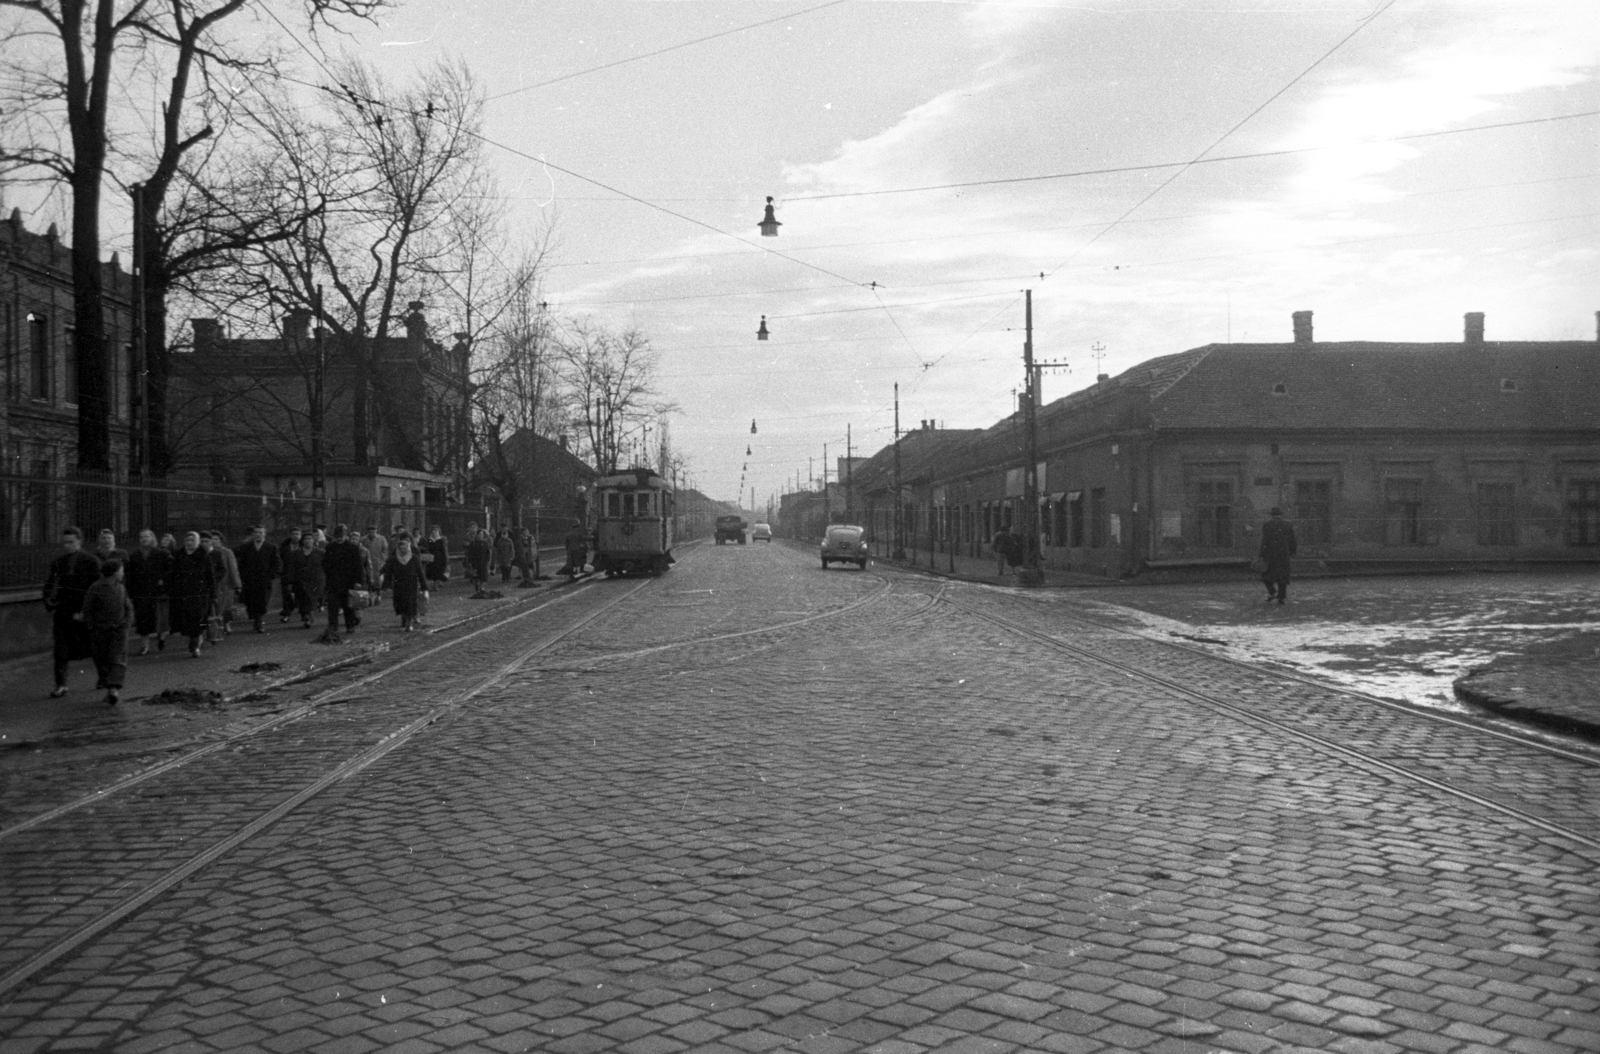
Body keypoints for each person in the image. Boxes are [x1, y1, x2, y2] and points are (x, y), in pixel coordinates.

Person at [42, 526, 103, 698]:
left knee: (93, 646)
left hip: (84, 611)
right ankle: (61, 684)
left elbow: (97, 588)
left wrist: (88, 611)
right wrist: (50, 601)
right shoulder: (58, 562)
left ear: (80, 541)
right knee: (60, 649)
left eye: (71, 542)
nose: (67, 546)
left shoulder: (91, 561)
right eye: (65, 543)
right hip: (64, 612)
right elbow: (49, 585)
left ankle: (103, 677)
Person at [81, 559, 134, 705]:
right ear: (116, 572)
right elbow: (88, 608)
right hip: (100, 630)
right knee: (102, 658)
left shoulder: (121, 587)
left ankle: (113, 689)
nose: (123, 573)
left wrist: (127, 622)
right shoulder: (96, 587)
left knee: (118, 659)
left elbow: (127, 605)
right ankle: (108, 684)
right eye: (122, 570)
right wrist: (91, 625)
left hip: (119, 630)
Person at [166, 531, 216, 658]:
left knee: (197, 617)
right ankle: (195, 640)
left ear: (197, 542)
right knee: (187, 619)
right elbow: (173, 573)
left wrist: (213, 594)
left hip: (199, 593)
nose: (189, 543)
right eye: (187, 540)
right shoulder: (179, 554)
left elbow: (210, 576)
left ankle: (194, 645)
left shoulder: (203, 555)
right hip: (182, 593)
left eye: (192, 540)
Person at [125, 528, 171, 656]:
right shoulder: (135, 556)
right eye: (142, 537)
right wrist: (130, 592)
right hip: (141, 592)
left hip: (157, 591)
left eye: (147, 536)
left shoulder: (161, 553)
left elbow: (170, 570)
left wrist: (163, 580)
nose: (144, 539)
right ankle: (144, 645)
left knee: (159, 618)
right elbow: (130, 575)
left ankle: (161, 638)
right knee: (142, 619)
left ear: (152, 538)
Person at [234, 525, 283, 633]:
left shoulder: (271, 547)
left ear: (264, 534)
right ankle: (256, 617)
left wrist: (271, 575)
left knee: (262, 600)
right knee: (250, 600)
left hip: (264, 580)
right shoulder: (246, 547)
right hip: (249, 579)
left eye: (261, 532)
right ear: (253, 534)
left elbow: (277, 563)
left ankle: (259, 621)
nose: (258, 534)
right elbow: (238, 560)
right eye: (256, 532)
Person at [321, 524, 367, 640]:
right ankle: (333, 625)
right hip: (333, 581)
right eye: (337, 536)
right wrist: (329, 574)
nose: (339, 539)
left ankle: (350, 625)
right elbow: (325, 563)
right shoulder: (330, 547)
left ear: (346, 536)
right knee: (332, 606)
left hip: (349, 581)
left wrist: (358, 581)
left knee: (348, 606)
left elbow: (358, 566)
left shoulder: (352, 548)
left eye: (341, 536)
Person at [381, 536, 430, 632]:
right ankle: (404, 618)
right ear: (398, 549)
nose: (403, 551)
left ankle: (409, 623)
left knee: (411, 604)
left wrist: (424, 587)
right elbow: (389, 572)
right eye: (401, 549)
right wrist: (386, 585)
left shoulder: (414, 558)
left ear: (409, 548)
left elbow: (420, 573)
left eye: (405, 548)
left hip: (411, 584)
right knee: (400, 604)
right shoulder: (394, 559)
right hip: (398, 584)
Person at [201, 530, 241, 637]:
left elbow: (232, 569)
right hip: (213, 585)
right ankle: (214, 628)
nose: (214, 541)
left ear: (221, 541)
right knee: (214, 607)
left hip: (225, 584)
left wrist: (237, 585)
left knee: (225, 606)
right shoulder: (205, 552)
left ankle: (226, 624)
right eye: (212, 539)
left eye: (216, 539)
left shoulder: (227, 552)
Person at [282, 532, 325, 628]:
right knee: (302, 599)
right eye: (306, 539)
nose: (308, 541)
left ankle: (307, 617)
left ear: (313, 540)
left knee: (311, 600)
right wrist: (290, 581)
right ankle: (306, 616)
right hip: (300, 581)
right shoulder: (296, 553)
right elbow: (291, 568)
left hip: (315, 581)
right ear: (302, 541)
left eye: (310, 538)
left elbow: (325, 566)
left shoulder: (320, 552)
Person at [1259, 507, 1298, 605]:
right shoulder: (1287, 525)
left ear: (1271, 515)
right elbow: (1292, 540)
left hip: (1271, 554)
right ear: (1281, 515)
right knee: (1283, 576)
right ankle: (1281, 597)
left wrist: (1262, 554)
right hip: (1284, 554)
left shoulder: (1267, 525)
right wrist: (1293, 551)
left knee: (1266, 575)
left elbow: (1265, 541)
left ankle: (1272, 591)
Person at [277, 527, 303, 622]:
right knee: (286, 594)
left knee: (301, 593)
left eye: (297, 534)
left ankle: (304, 614)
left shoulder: (304, 545)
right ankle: (286, 614)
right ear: (290, 535)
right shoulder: (284, 547)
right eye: (293, 534)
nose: (295, 536)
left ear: (300, 535)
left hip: (301, 574)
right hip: (287, 573)